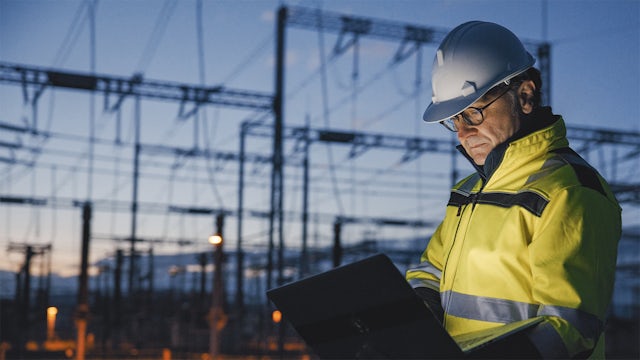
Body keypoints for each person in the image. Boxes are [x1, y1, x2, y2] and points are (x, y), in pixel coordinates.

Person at [405, 21, 621, 358]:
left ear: (524, 96)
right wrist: (416, 318)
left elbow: (570, 327)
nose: (462, 133)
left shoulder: (570, 192)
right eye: (455, 120)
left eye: (473, 113)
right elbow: (429, 271)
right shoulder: (467, 192)